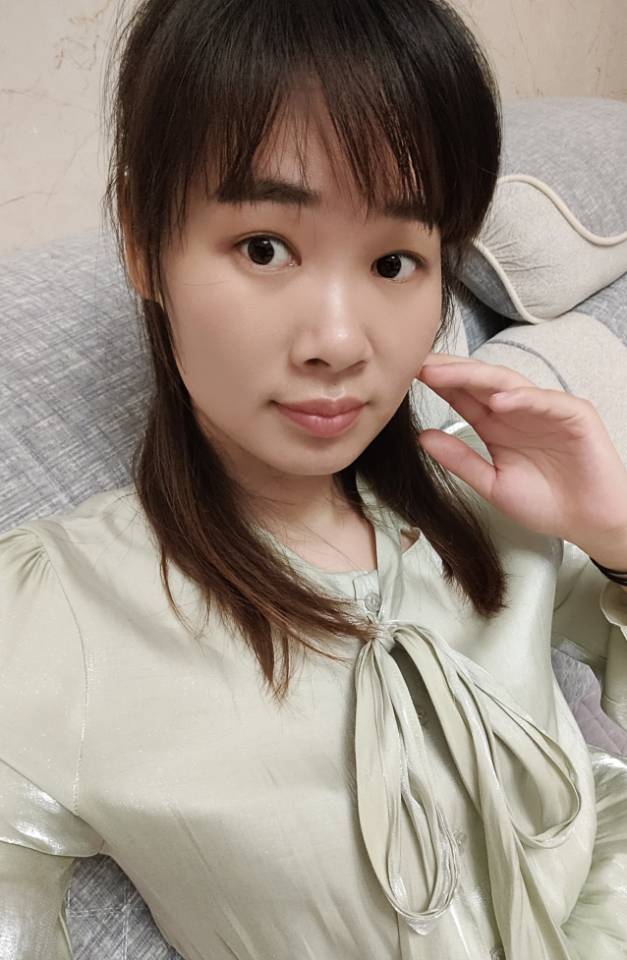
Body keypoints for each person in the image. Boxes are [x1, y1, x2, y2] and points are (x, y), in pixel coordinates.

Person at [1, 0, 627, 957]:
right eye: (265, 247)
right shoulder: (57, 615)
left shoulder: (484, 495)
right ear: (142, 238)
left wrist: (613, 539)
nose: (338, 342)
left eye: (394, 260)